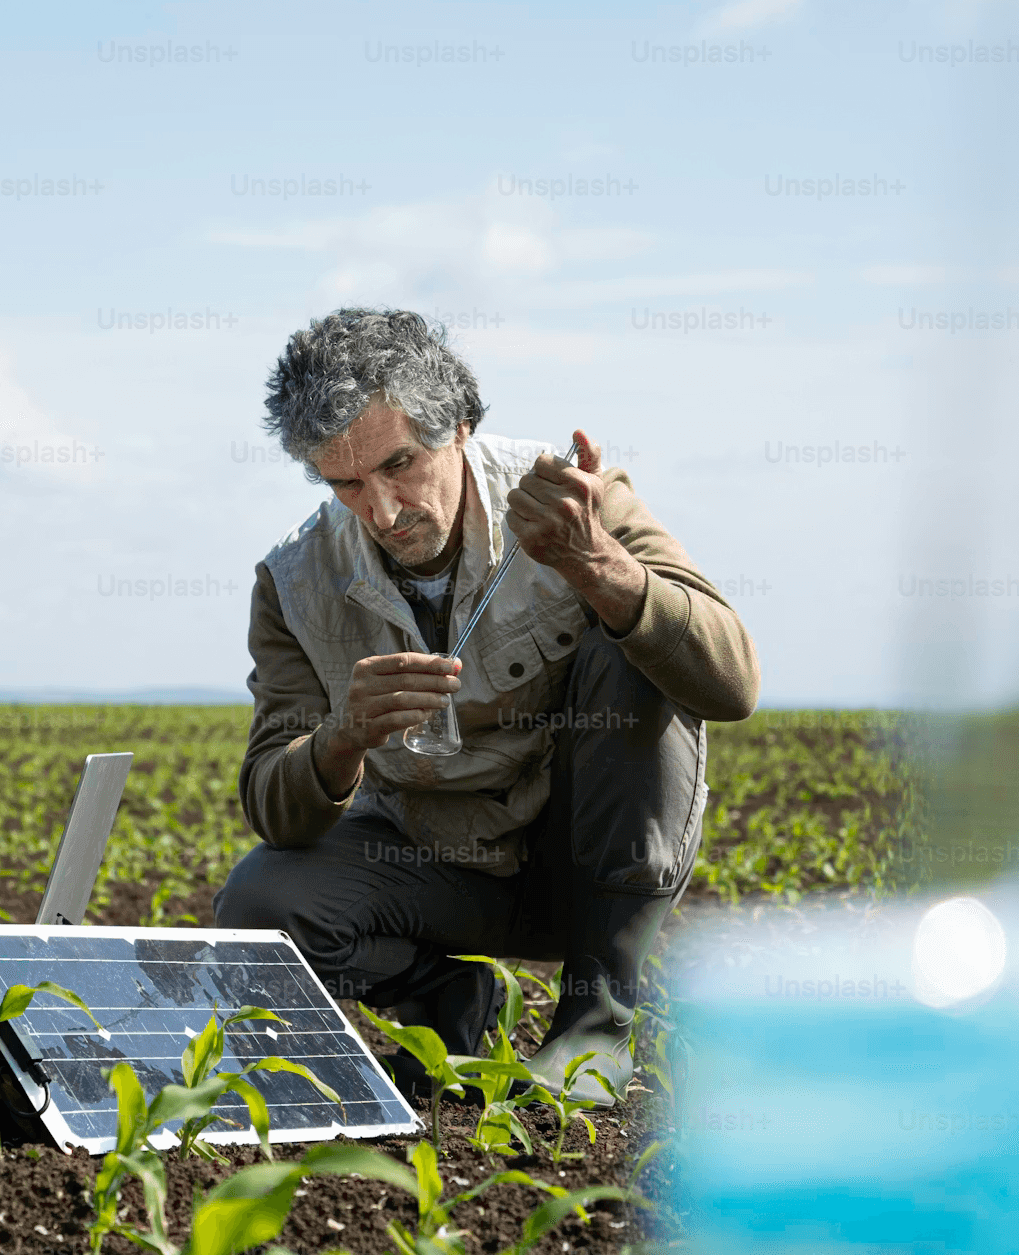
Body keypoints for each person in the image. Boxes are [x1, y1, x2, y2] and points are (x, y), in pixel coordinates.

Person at [214, 309, 760, 1091]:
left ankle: (594, 1023)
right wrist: (339, 739)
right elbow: (275, 809)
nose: (384, 511)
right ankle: (443, 994)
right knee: (258, 903)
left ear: (460, 425)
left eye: (400, 464)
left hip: (587, 865)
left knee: (631, 637)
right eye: (345, 484)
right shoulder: (294, 583)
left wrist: (600, 566)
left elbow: (732, 682)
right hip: (440, 872)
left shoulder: (576, 502)